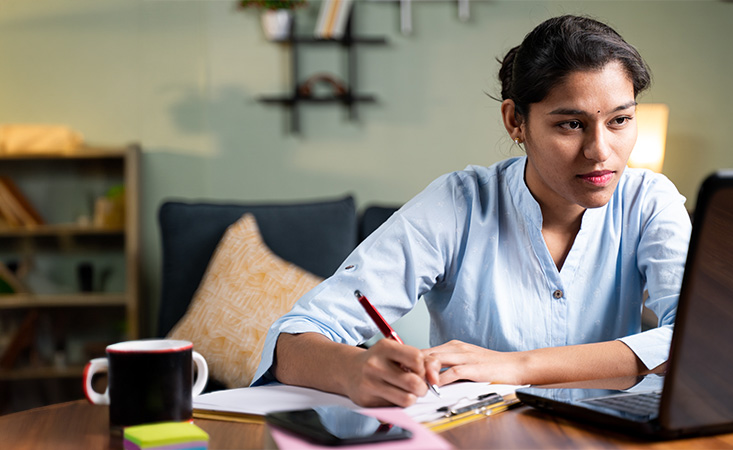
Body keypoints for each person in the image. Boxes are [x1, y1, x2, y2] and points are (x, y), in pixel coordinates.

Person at [252, 14, 692, 408]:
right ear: (515, 122)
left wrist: (517, 367)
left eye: (619, 120)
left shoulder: (649, 201)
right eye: (570, 124)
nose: (600, 151)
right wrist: (354, 371)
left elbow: (696, 343)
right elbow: (294, 338)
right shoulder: (458, 204)